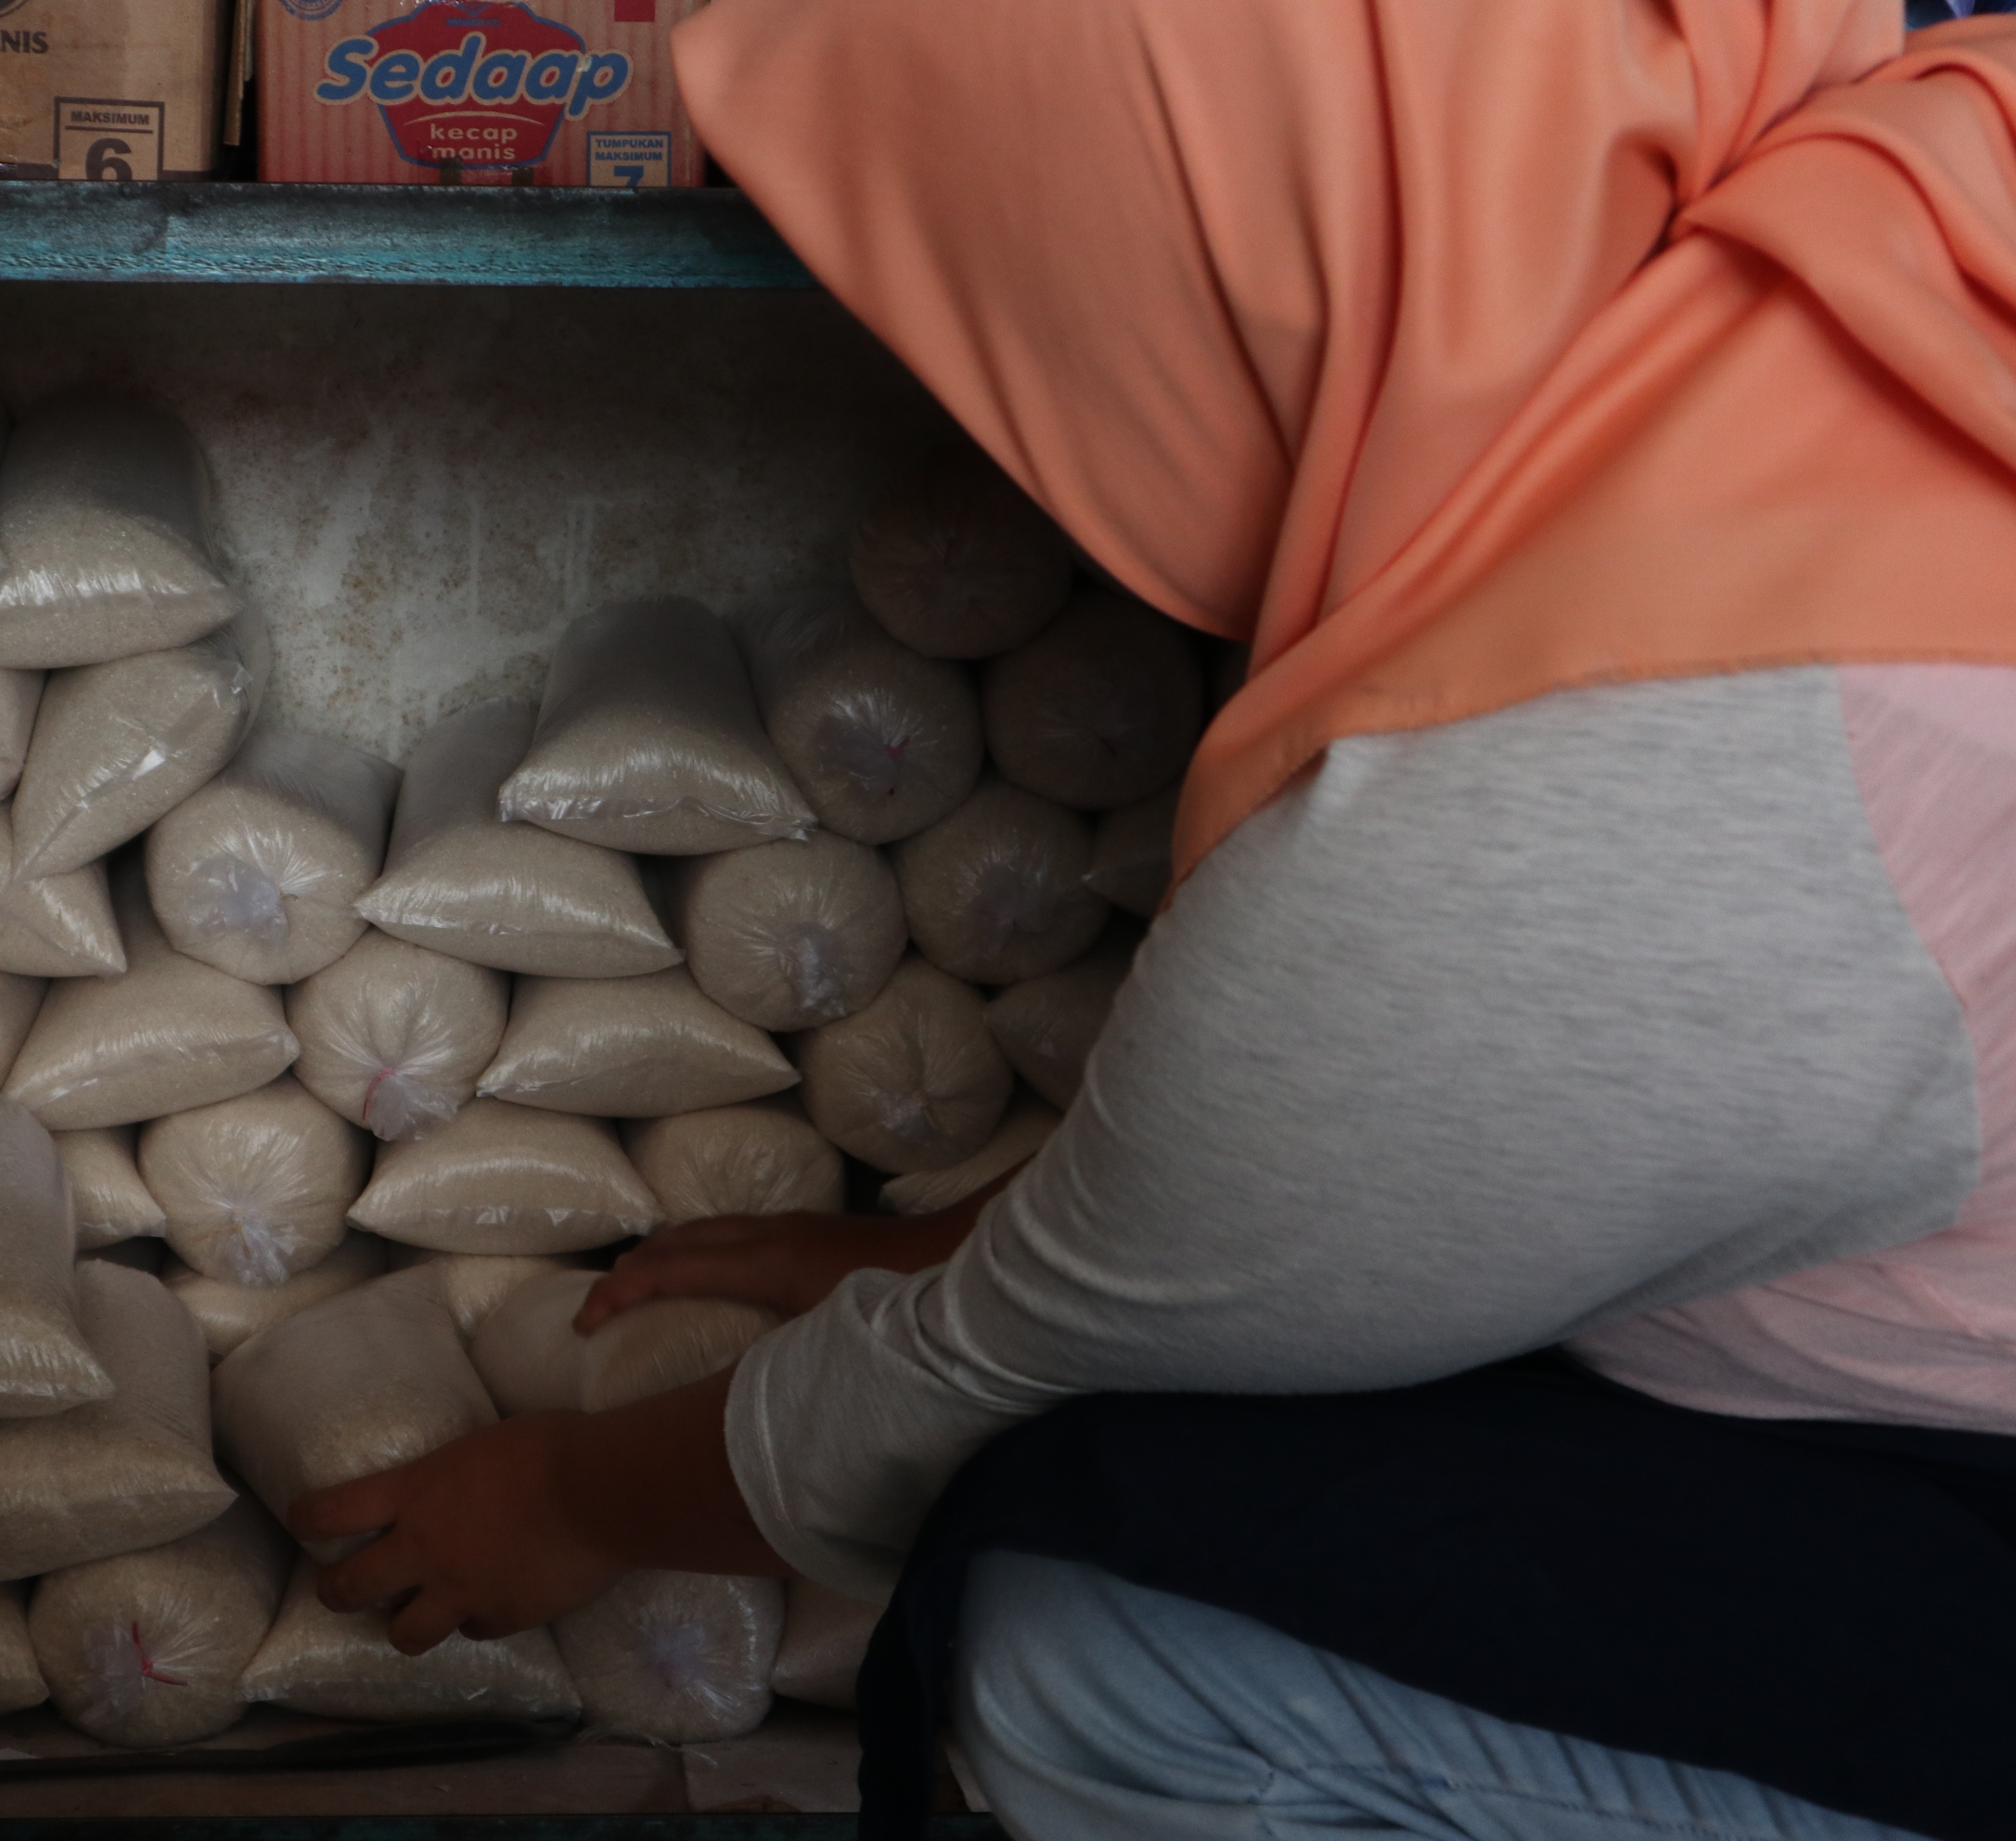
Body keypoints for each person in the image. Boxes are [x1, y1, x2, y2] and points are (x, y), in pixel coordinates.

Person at [292, 3, 2016, 1837]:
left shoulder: (1607, 769)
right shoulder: (1911, 190)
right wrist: (974, 1242)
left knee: (1091, 1626)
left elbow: (991, 1375)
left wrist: (566, 1496)